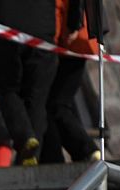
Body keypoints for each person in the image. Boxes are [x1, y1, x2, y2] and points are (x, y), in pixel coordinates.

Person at [0, 0, 59, 165]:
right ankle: (31, 156)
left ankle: (25, 139)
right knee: (37, 99)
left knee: (7, 89)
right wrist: (74, 23)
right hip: (42, 32)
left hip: (7, 30)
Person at [44, 0, 103, 163]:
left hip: (67, 38)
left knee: (53, 104)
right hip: (72, 38)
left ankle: (84, 150)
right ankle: (82, 151)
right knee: (54, 103)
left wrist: (73, 25)